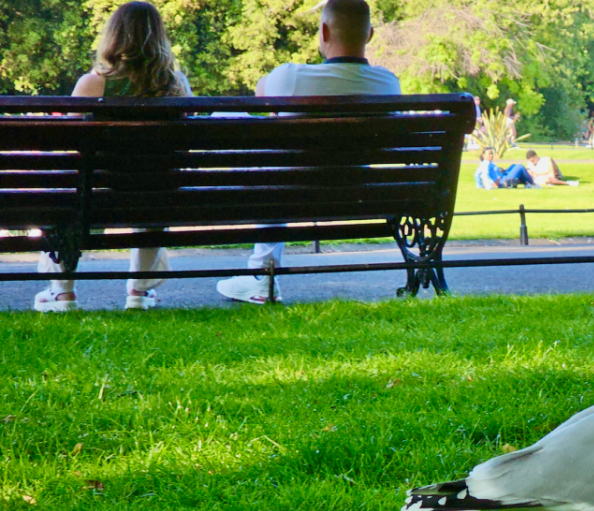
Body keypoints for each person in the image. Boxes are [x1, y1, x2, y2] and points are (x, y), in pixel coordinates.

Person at [215, 0, 400, 305]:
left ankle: (261, 274)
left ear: (323, 31)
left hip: (290, 194)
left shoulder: (291, 77)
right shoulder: (388, 84)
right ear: (370, 35)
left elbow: (259, 94)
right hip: (360, 195)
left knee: (269, 168)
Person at [33, 1, 192, 313]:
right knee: (153, 193)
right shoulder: (177, 85)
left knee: (70, 193)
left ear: (113, 36)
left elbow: (69, 149)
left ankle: (62, 294)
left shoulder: (93, 83)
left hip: (98, 195)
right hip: (155, 194)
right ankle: (139, 291)